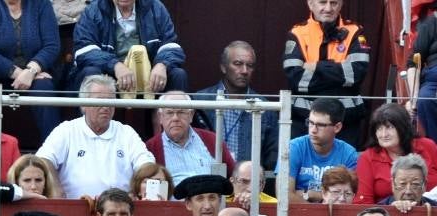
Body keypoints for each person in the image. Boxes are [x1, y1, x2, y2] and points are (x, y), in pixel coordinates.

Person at [36, 74, 153, 200]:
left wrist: (138, 188)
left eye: (110, 101)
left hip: (118, 211)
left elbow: (146, 165)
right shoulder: (66, 130)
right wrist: (56, 188)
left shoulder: (126, 133)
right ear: (83, 104)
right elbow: (43, 160)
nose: (106, 107)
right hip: (74, 209)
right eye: (99, 101)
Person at [0, 0, 61, 139]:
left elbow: (52, 45)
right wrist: (17, 73)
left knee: (44, 89)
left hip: (32, 73)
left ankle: (52, 153)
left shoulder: (41, 4)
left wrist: (31, 70)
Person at [283, 0, 370, 146]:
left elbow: (355, 75)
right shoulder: (297, 33)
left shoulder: (355, 31)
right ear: (311, 4)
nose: (328, 8)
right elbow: (297, 80)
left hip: (344, 122)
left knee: (343, 169)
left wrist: (316, 67)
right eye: (322, 2)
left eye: (334, 3)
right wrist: (338, 75)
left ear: (341, 5)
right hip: (304, 122)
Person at [192, 41, 278, 172]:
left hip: (247, 183)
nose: (244, 71)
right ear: (223, 67)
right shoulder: (201, 100)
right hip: (207, 178)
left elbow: (272, 155)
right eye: (238, 64)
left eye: (250, 66)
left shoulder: (264, 107)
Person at [70, 0, 186, 95]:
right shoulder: (93, 11)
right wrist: (115, 65)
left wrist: (162, 64)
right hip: (109, 74)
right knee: (91, 73)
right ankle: (92, 123)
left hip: (148, 75)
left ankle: (166, 121)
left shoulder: (156, 8)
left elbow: (171, 45)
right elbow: (83, 50)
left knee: (178, 74)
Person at [355, 103, 437, 204]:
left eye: (389, 127)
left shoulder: (427, 146)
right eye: (379, 128)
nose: (383, 134)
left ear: (403, 127)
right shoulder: (367, 158)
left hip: (432, 213)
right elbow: (363, 202)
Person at [146, 91, 235, 185]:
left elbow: (233, 176)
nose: (175, 118)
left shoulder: (213, 140)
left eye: (181, 112)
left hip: (210, 198)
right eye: (169, 113)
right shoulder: (151, 148)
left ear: (191, 115)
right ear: (160, 117)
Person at [285, 96, 358, 203]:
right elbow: (285, 195)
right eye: (311, 123)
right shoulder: (294, 147)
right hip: (299, 215)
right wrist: (318, 210)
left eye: (320, 125)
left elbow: (346, 198)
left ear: (337, 127)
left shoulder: (348, 154)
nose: (313, 130)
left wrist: (309, 194)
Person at [407, 0, 437, 148]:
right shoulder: (432, 23)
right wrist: (413, 98)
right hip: (435, 82)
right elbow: (414, 63)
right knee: (424, 99)